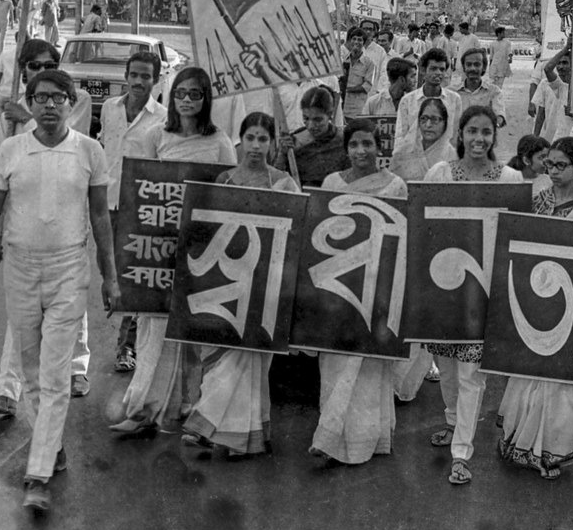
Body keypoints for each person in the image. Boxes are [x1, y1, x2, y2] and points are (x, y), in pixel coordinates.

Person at [0, 68, 120, 514]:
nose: (49, 106)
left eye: (58, 98)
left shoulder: (90, 151)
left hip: (69, 268)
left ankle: (37, 474)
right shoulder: (12, 150)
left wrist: (110, 277)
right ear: (30, 104)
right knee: (31, 372)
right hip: (19, 268)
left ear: (72, 104)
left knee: (53, 374)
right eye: (41, 98)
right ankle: (51, 446)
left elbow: (101, 221)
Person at [111, 67, 236, 435]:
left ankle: (186, 404)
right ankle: (142, 409)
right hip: (159, 249)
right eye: (180, 92)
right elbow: (143, 191)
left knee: (192, 328)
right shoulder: (155, 136)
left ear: (205, 98)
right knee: (155, 324)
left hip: (201, 246)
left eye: (194, 94)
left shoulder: (220, 143)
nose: (186, 100)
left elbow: (227, 195)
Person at [0, 39, 95, 415]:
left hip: (66, 216)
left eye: (49, 63)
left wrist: (26, 114)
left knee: (71, 303)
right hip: (23, 220)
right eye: (33, 66)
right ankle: (7, 388)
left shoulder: (74, 100)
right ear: (23, 70)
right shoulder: (10, 116)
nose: (41, 70)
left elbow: (62, 132)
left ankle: (77, 366)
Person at [182, 112, 300, 459]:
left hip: (264, 288)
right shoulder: (225, 180)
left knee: (249, 361)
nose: (256, 146)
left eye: (264, 139)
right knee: (225, 358)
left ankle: (209, 425)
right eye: (250, 138)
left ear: (273, 144)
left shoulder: (284, 184)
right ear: (240, 140)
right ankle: (241, 437)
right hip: (227, 288)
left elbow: (294, 236)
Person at [424, 104, 523, 486]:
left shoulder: (510, 178)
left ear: (494, 137)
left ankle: (461, 451)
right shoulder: (440, 173)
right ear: (460, 135)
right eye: (472, 131)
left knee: (471, 374)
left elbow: (517, 234)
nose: (479, 139)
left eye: (486, 132)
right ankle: (452, 422)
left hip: (484, 291)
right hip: (442, 287)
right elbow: (424, 225)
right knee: (446, 366)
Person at [498, 137, 573, 478]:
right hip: (536, 295)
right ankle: (523, 438)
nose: (554, 171)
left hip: (572, 299)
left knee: (562, 376)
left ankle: (554, 446)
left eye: (561, 166)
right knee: (533, 366)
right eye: (550, 165)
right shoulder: (537, 199)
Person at [308, 118, 409, 465]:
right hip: (339, 286)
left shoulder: (395, 186)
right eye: (354, 145)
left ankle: (366, 441)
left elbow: (401, 240)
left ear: (378, 147)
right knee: (335, 361)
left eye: (367, 144)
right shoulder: (332, 183)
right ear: (346, 149)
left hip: (376, 286)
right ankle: (330, 437)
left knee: (366, 367)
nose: (361, 151)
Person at [98, 50, 165, 373]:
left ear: (156, 79)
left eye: (146, 76)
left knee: (133, 279)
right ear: (126, 76)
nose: (139, 82)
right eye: (134, 75)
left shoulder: (163, 118)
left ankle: (127, 347)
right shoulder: (110, 109)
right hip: (106, 205)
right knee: (109, 275)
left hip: (140, 208)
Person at [275, 85, 348, 188]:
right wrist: (282, 154)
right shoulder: (294, 140)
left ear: (330, 114)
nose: (311, 126)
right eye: (306, 119)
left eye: (317, 120)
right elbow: (278, 180)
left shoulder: (343, 142)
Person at [392, 47, 462, 153]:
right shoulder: (408, 101)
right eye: (433, 69)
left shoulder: (454, 99)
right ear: (423, 71)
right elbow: (400, 137)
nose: (438, 73)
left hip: (443, 160)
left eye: (442, 69)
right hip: (413, 160)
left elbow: (455, 137)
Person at [389, 96, 456, 181]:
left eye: (434, 119)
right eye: (423, 118)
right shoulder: (402, 155)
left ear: (445, 123)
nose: (428, 125)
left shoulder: (454, 158)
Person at [532, 41, 573, 144]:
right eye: (558, 63)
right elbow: (541, 113)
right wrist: (535, 138)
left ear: (572, 65)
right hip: (551, 138)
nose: (560, 67)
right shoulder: (549, 84)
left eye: (565, 63)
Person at [457, 46, 505, 125]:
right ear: (464, 68)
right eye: (468, 64)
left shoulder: (494, 92)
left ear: (484, 67)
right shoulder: (452, 92)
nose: (472, 68)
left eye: (477, 64)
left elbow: (499, 116)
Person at [342, 26, 375, 117]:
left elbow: (367, 86)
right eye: (354, 39)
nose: (356, 42)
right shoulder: (343, 60)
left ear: (363, 43)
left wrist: (347, 90)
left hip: (357, 109)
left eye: (359, 40)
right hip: (342, 107)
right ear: (350, 41)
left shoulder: (369, 63)